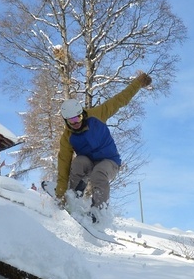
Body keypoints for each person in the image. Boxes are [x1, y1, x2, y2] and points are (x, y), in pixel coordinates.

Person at [55, 71, 152, 216]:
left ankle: (98, 211)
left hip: (110, 161)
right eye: (72, 121)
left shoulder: (97, 115)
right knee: (78, 163)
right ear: (66, 121)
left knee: (98, 173)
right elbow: (63, 164)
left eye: (78, 117)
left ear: (82, 113)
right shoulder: (67, 137)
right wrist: (60, 192)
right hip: (89, 163)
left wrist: (138, 83)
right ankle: (71, 198)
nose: (76, 123)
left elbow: (120, 100)